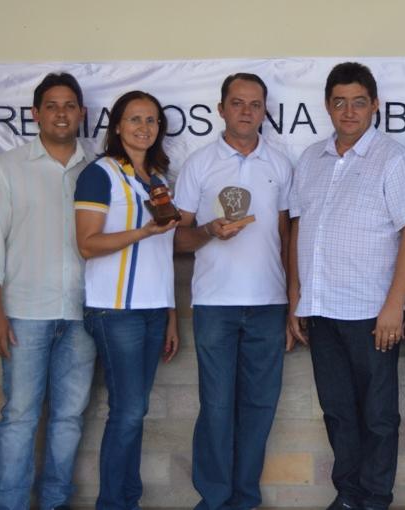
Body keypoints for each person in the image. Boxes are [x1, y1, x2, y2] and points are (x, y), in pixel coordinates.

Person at [287, 61, 405, 510]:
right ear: (328, 106)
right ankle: (348, 495)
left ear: (375, 106)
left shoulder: (393, 159)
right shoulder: (311, 158)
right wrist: (296, 300)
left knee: (379, 417)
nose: (349, 111)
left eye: (359, 102)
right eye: (340, 102)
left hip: (371, 312)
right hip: (321, 311)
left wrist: (395, 304)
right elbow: (297, 230)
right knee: (339, 413)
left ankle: (375, 498)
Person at [0, 72, 97, 510]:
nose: (60, 113)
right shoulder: (8, 168)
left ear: (82, 113)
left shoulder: (99, 166)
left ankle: (54, 503)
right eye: (51, 105)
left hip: (83, 314)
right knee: (20, 418)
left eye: (69, 106)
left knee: (68, 419)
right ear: (35, 114)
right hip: (24, 312)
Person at [173, 73, 293, 510]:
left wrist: (292, 304)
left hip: (268, 305)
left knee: (260, 408)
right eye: (237, 103)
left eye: (255, 104)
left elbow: (286, 236)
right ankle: (214, 499)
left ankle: (244, 500)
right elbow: (176, 238)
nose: (246, 111)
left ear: (264, 111)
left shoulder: (279, 164)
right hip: (214, 306)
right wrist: (207, 231)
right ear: (221, 108)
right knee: (217, 408)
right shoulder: (199, 164)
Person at [74, 90, 180, 509]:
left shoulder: (157, 178)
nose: (144, 127)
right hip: (115, 311)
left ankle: (127, 500)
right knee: (128, 412)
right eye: (135, 119)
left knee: (134, 412)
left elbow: (164, 254)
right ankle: (114, 503)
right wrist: (142, 231)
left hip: (153, 310)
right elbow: (86, 244)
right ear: (117, 126)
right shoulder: (99, 174)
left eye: (152, 120)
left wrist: (171, 314)